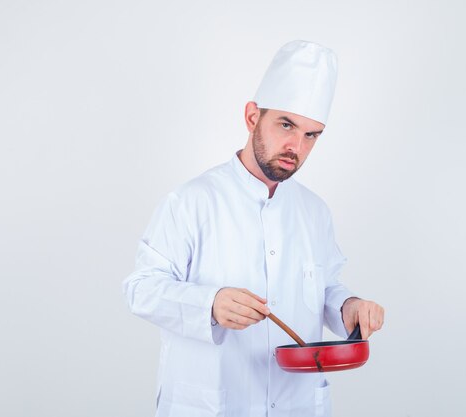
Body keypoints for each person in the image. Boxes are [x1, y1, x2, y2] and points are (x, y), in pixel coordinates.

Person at [123, 40, 385, 417]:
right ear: (251, 117)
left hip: (297, 403)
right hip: (211, 402)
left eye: (312, 135)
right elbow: (140, 289)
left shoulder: (315, 212)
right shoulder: (191, 201)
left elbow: (324, 286)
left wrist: (348, 306)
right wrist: (209, 304)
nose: (296, 145)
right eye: (286, 125)